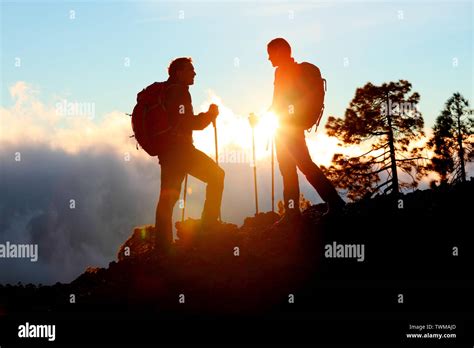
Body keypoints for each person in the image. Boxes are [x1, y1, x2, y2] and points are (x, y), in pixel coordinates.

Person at [267, 38, 345, 223]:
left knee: (301, 166)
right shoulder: (285, 72)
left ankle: (333, 203)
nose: (269, 58)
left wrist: (273, 116)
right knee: (295, 167)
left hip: (288, 128)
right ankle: (295, 212)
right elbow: (278, 103)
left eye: (271, 54)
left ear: (280, 52)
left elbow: (279, 102)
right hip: (287, 127)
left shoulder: (284, 72)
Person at [155, 57, 224, 249]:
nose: (194, 73)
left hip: (168, 153)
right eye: (190, 69)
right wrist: (210, 116)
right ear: (179, 73)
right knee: (217, 176)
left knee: (167, 198)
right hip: (181, 152)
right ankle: (208, 226)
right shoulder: (179, 92)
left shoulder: (167, 91)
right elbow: (187, 122)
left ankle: (162, 246)